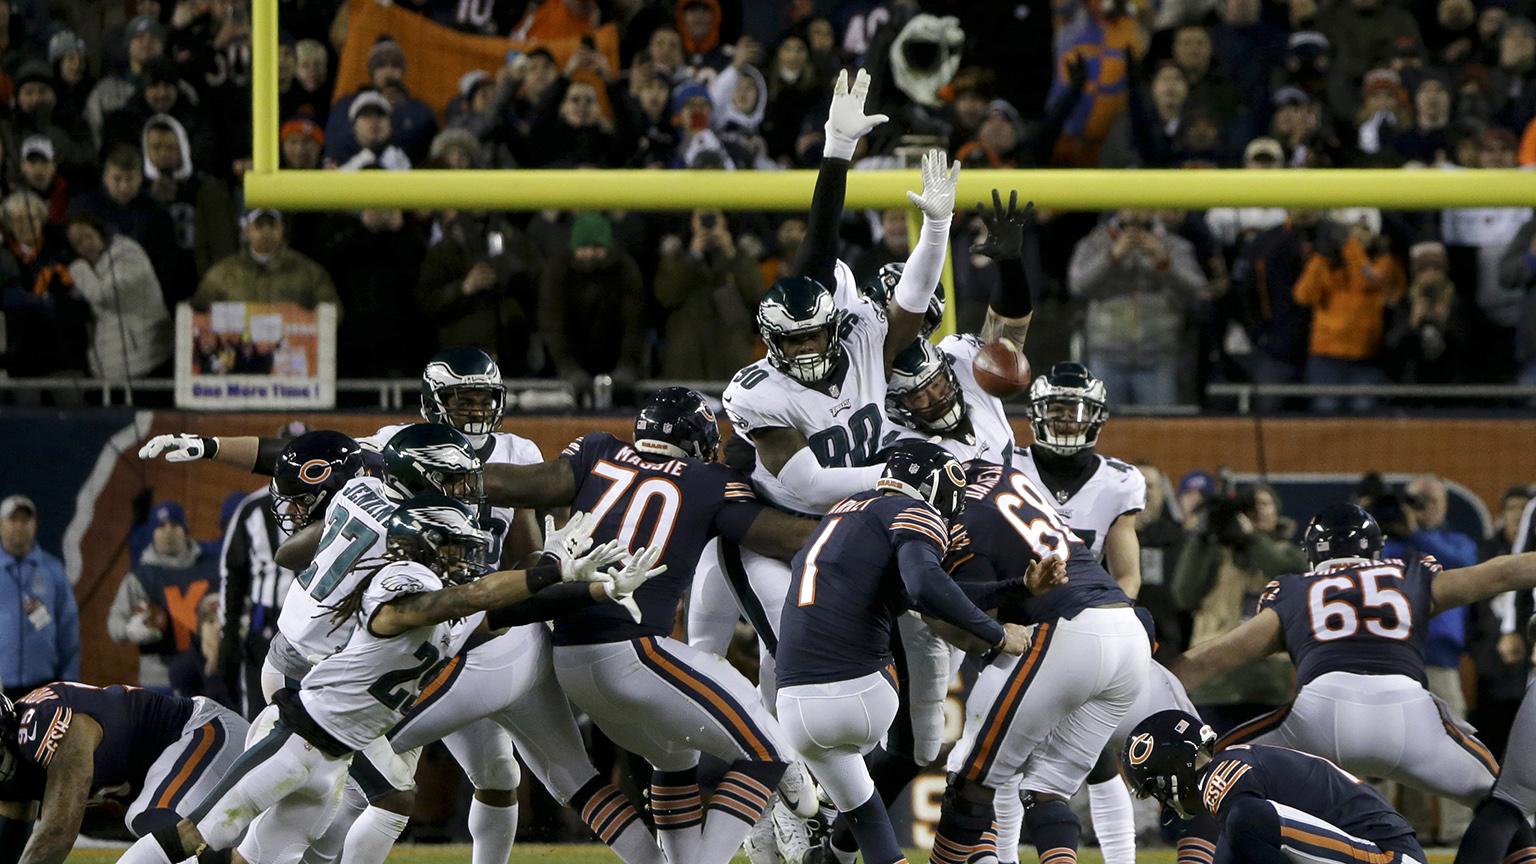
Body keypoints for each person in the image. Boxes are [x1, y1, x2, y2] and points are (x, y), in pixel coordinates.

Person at [113, 495, 659, 864]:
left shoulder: (444, 600)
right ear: (421, 548)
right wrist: (548, 567)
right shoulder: (399, 585)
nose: (464, 560)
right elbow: (465, 598)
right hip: (294, 739)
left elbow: (501, 612)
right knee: (196, 835)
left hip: (336, 760)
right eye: (453, 549)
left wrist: (596, 589)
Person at [476, 387, 823, 864]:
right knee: (768, 751)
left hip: (572, 662)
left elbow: (520, 483)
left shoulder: (598, 449)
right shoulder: (710, 479)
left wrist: (434, 476)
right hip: (636, 653)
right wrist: (864, 520)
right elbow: (788, 541)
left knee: (674, 760)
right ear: (700, 438)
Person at [1172, 503, 1536, 854]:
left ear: (1312, 553)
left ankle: (1197, 856)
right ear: (1375, 550)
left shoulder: (1296, 589)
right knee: (1506, 804)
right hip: (1411, 719)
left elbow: (1212, 658)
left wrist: (1152, 683)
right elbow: (1500, 573)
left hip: (1319, 717)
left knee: (1218, 772)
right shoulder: (1409, 575)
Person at [776, 442, 1033, 864]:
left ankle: (826, 851)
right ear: (930, 485)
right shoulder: (911, 512)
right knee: (914, 745)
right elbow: (926, 587)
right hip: (863, 695)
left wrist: (1015, 586)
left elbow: (923, 591)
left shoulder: (843, 513)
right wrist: (996, 634)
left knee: (868, 819)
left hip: (796, 707)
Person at [932, 459, 1151, 864]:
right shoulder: (1005, 475)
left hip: (1067, 632)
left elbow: (978, 629)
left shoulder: (959, 521)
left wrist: (927, 612)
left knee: (970, 777)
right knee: (1046, 788)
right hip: (1128, 630)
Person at [1123, 709, 1429, 862]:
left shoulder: (1221, 778)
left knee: (1248, 821)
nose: (1161, 801)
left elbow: (1250, 820)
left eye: (1156, 790)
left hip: (1389, 856)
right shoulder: (1234, 768)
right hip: (1378, 849)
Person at [0, 684, 248, 862]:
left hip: (205, 731)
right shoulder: (14, 775)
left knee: (152, 823)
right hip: (188, 770)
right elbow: (9, 846)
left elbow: (57, 833)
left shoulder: (41, 723)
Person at [1171, 485, 1306, 731]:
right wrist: (1202, 538)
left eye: (1265, 504)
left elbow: (1286, 574)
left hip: (1268, 684)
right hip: (1213, 682)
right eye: (1251, 507)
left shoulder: (1289, 554)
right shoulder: (1213, 552)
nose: (1258, 512)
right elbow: (1184, 597)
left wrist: (1252, 538)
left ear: (1278, 511)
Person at [1068, 210, 1207, 405]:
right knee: (1103, 429)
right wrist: (1111, 258)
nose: (1134, 211)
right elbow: (1078, 285)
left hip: (1158, 354)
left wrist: (1164, 261)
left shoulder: (1173, 244)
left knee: (1158, 431)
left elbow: (1197, 289)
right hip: (1106, 353)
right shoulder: (1096, 242)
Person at [107, 502, 220, 695]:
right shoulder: (140, 577)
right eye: (161, 526)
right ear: (152, 533)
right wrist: (131, 630)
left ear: (185, 529)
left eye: (174, 525)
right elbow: (114, 623)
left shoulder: (212, 568)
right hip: (160, 678)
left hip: (209, 672)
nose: (168, 532)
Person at [537, 211, 645, 401]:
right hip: (570, 363)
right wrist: (568, 368)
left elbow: (634, 322)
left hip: (615, 360)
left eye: (596, 246)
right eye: (584, 246)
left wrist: (628, 365)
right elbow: (552, 323)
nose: (590, 253)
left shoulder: (625, 270)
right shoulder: (559, 271)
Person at [654, 208, 764, 380]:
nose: (708, 224)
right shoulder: (676, 257)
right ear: (691, 222)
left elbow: (756, 294)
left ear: (724, 221)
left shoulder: (740, 257)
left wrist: (731, 255)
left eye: (713, 218)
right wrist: (693, 255)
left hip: (731, 357)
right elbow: (666, 296)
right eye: (702, 218)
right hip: (688, 360)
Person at [64, 211, 170, 382]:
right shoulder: (94, 267)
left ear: (100, 232)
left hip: (148, 357)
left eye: (88, 236)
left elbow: (102, 295)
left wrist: (78, 269)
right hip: (115, 365)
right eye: (78, 243)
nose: (85, 244)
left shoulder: (127, 253)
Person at [0, 495, 79, 702]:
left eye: (25, 520)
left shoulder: (53, 570)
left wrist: (69, 683)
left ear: (34, 525)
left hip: (44, 683)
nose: (19, 526)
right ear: (1, 524)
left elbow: (68, 627)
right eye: (12, 520)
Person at [192, 209, 338, 309]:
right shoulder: (222, 274)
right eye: (259, 225)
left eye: (272, 225)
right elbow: (197, 310)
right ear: (247, 231)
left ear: (282, 230)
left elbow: (332, 309)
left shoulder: (308, 271)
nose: (266, 231)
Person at [324, 39, 436, 166]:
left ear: (403, 71)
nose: (389, 70)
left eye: (395, 65)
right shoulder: (346, 105)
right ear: (372, 71)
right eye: (381, 65)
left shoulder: (419, 110)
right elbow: (335, 143)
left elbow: (431, 152)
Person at [334, 90, 411, 171]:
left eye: (380, 114)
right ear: (354, 126)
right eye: (366, 114)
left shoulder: (406, 165)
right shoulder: (343, 170)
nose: (374, 120)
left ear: (390, 125)